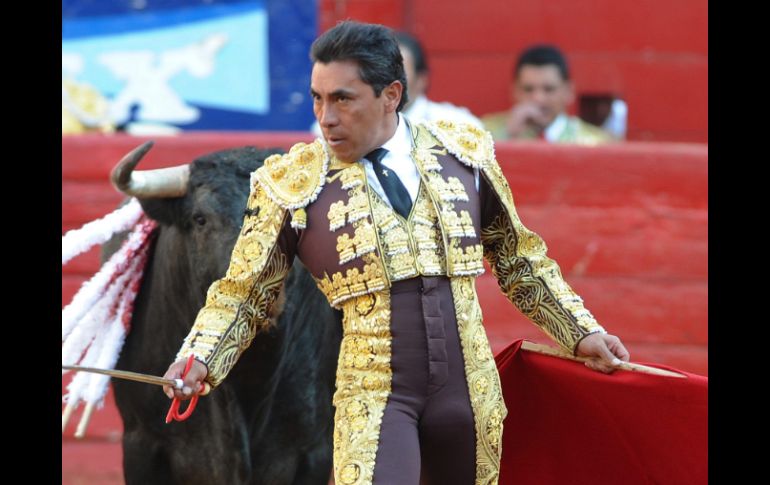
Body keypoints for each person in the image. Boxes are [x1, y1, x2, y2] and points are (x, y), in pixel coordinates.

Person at [163, 21, 629, 485]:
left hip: (469, 397)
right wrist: (200, 357)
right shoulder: (292, 184)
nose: (325, 117)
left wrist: (580, 331)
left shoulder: (462, 154)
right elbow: (244, 293)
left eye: (343, 98)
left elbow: (517, 259)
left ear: (391, 94)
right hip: (374, 398)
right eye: (317, 98)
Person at [310, 31, 482, 135]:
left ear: (421, 80)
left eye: (400, 73)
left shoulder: (459, 126)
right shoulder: (333, 127)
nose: (386, 81)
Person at [481, 44, 613, 144]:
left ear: (568, 92)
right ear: (515, 91)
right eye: (528, 89)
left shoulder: (596, 143)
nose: (538, 99)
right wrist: (508, 136)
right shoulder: (483, 133)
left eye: (549, 89)